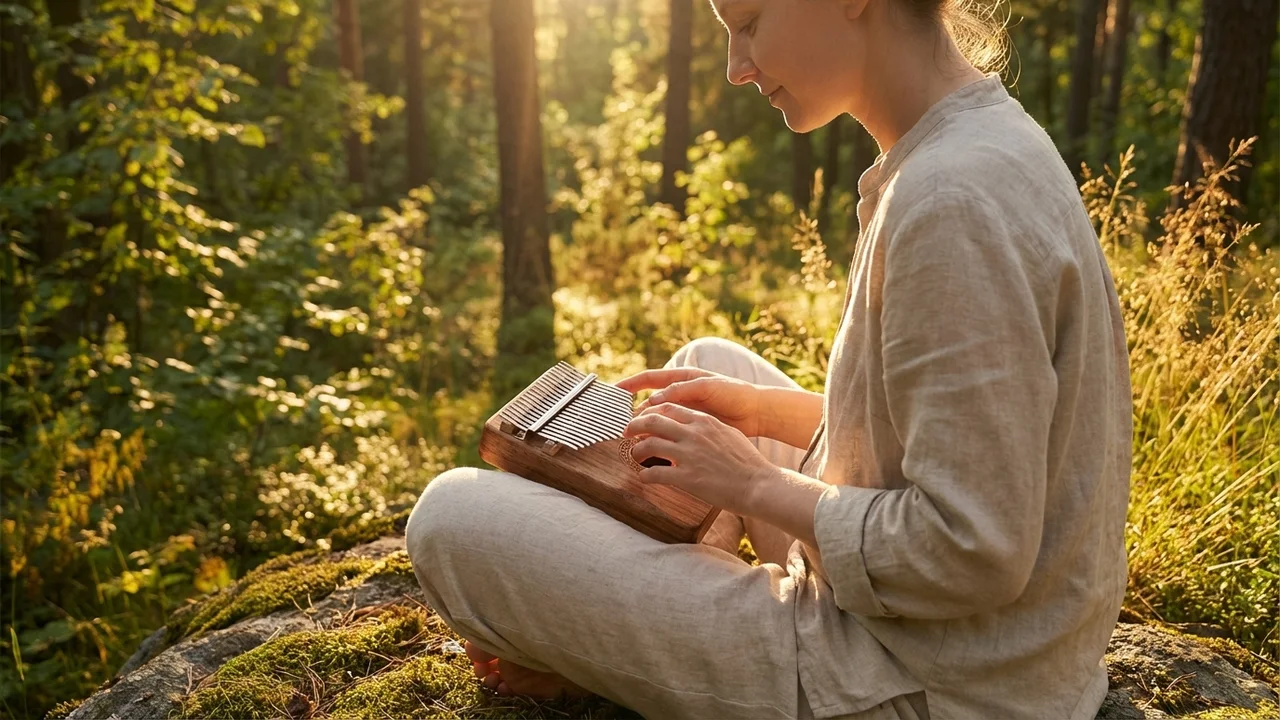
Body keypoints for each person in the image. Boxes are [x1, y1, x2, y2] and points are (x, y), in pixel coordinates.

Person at [405, 0, 1133, 717]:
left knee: (450, 518)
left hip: (928, 681)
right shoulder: (977, 140)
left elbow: (970, 549)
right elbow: (981, 436)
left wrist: (751, 482)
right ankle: (659, 619)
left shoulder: (951, 201)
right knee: (710, 367)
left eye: (749, 22)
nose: (736, 68)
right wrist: (759, 413)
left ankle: (632, 644)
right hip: (974, 647)